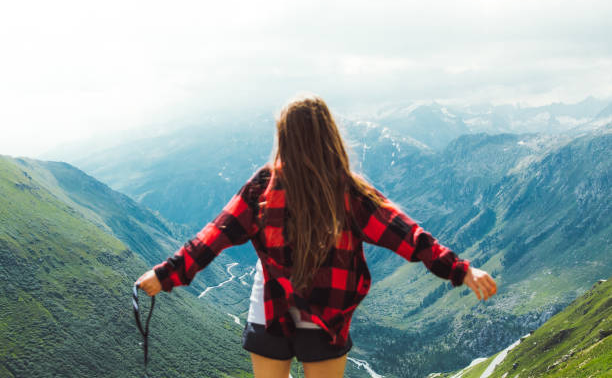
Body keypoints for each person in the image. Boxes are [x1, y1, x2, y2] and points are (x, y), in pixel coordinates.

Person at [135, 94, 497, 378]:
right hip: (326, 314)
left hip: (269, 310)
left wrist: (164, 275)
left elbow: (213, 237)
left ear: (284, 137)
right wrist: (461, 270)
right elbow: (408, 236)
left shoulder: (263, 187)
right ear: (329, 135)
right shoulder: (349, 193)